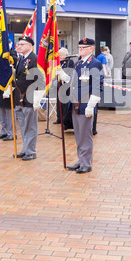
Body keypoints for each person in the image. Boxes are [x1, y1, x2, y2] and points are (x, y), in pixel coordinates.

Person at [58, 38, 103, 174]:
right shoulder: (78, 63)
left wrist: (91, 105)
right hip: (75, 103)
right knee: (78, 134)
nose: (81, 50)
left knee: (85, 135)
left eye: (84, 47)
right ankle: (81, 160)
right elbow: (73, 82)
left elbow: (97, 86)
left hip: (86, 104)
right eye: (79, 48)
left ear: (91, 49)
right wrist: (62, 75)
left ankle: (86, 163)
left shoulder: (95, 64)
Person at [12, 35, 44, 161]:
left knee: (30, 126)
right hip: (19, 98)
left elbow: (40, 80)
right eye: (18, 44)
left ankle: (31, 151)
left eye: (22, 44)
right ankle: (25, 149)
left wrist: (37, 98)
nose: (18, 46)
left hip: (30, 98)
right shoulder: (21, 59)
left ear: (30, 46)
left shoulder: (35, 59)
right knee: (23, 126)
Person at [54, 47, 74, 128]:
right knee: (59, 102)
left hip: (66, 85)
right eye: (59, 54)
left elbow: (70, 72)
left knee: (65, 103)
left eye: (61, 54)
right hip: (59, 84)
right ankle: (59, 118)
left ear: (66, 55)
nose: (59, 56)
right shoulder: (58, 62)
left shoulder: (70, 62)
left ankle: (64, 119)